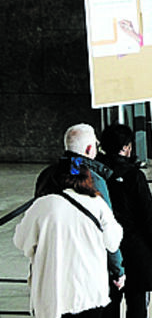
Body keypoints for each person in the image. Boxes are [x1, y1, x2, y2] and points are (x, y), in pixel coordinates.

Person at [15, 157, 123, 318]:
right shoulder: (98, 203)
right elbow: (113, 243)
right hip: (91, 293)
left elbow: (20, 241)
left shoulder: (42, 205)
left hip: (54, 296)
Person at [35, 124, 125, 293]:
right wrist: (117, 269)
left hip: (51, 263)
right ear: (89, 149)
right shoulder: (94, 180)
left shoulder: (46, 175)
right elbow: (107, 228)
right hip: (85, 267)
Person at [98, 124, 152, 318]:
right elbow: (148, 216)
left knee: (108, 307)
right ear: (126, 148)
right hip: (136, 250)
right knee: (137, 305)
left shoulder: (95, 174)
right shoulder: (134, 176)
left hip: (105, 250)